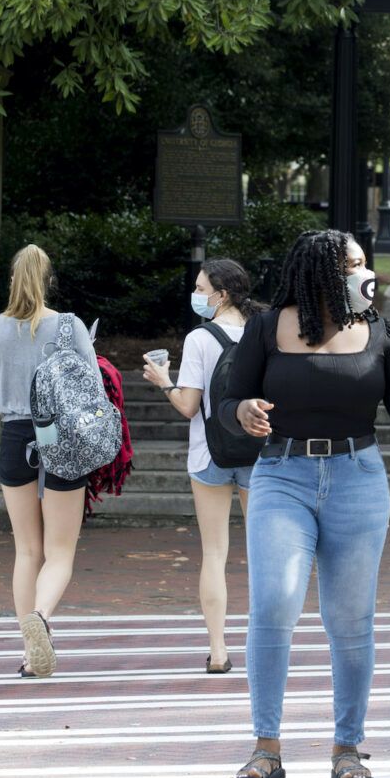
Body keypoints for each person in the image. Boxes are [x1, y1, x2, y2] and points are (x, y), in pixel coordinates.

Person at [219, 230, 390, 778]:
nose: (362, 274)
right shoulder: (265, 328)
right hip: (281, 475)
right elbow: (224, 403)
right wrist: (243, 410)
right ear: (322, 272)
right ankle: (266, 750)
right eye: (352, 264)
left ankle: (346, 751)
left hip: (357, 478)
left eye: (364, 264)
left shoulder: (380, 331)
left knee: (349, 620)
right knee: (274, 604)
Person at [0, 243, 97, 679]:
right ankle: (41, 615)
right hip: (63, 439)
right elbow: (93, 390)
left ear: (13, 281)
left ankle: (27, 648)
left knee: (26, 551)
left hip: (16, 437)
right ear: (48, 280)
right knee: (59, 553)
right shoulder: (70, 327)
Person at [141, 258, 264, 674]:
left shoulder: (200, 338)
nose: (195, 295)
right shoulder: (262, 331)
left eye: (200, 287)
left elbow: (189, 406)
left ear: (221, 293)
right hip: (258, 451)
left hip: (210, 454)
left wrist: (165, 381)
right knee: (264, 553)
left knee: (215, 553)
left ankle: (218, 651)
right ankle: (265, 644)